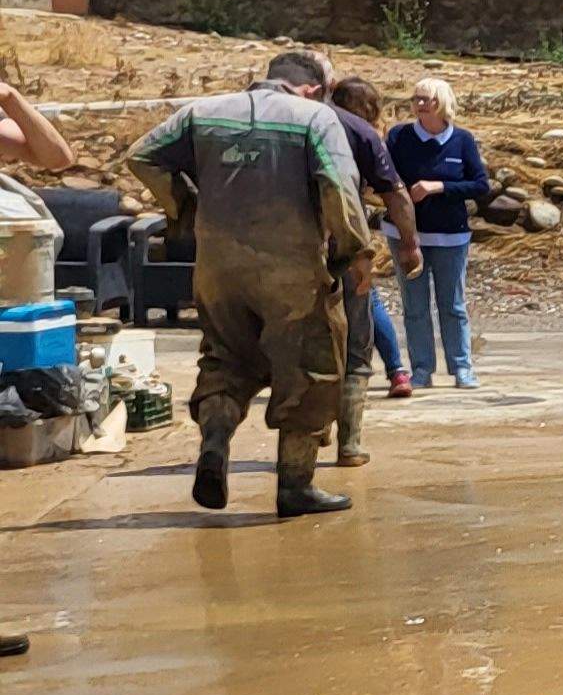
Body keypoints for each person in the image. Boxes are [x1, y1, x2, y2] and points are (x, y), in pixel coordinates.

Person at [119, 51, 378, 517]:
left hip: (218, 268)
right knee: (313, 366)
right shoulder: (315, 118)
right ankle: (295, 486)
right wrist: (353, 251)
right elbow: (339, 186)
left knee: (225, 359)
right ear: (314, 88)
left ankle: (215, 445)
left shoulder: (201, 112)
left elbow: (140, 157)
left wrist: (185, 204)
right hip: (291, 271)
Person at [322, 76, 422, 467]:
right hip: (345, 248)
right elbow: (394, 192)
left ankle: (315, 429)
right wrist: (411, 245)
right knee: (356, 344)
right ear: (366, 108)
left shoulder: (303, 120)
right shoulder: (359, 131)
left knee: (312, 341)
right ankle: (349, 443)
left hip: (295, 250)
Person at [384, 76, 490, 388]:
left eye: (424, 99)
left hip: (450, 236)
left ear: (440, 103)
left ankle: (462, 368)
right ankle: (421, 370)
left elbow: (480, 185)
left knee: (453, 305)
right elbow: (385, 177)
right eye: (415, 99)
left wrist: (438, 187)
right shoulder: (399, 136)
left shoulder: (462, 140)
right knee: (414, 306)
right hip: (406, 234)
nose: (417, 105)